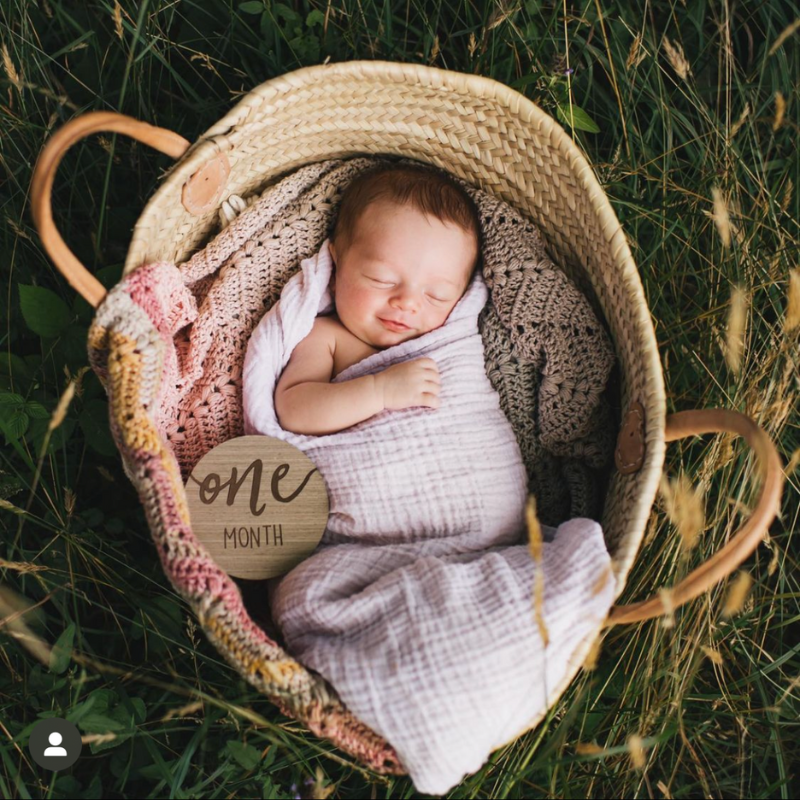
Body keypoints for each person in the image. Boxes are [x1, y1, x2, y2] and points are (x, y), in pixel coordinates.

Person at [274, 164, 481, 436]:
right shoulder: (327, 338)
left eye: (436, 295)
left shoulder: (455, 339)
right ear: (336, 269)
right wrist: (378, 391)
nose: (407, 302)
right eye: (382, 280)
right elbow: (294, 410)